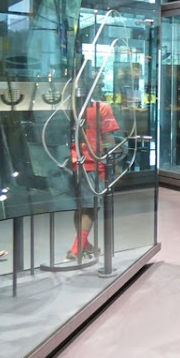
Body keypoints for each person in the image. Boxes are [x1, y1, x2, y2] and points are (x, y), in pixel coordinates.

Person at [67, 74, 120, 261]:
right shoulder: (102, 108)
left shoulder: (70, 109)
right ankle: (77, 248)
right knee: (91, 207)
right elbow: (108, 139)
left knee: (81, 206)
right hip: (93, 164)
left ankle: (84, 244)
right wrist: (115, 163)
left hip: (71, 163)